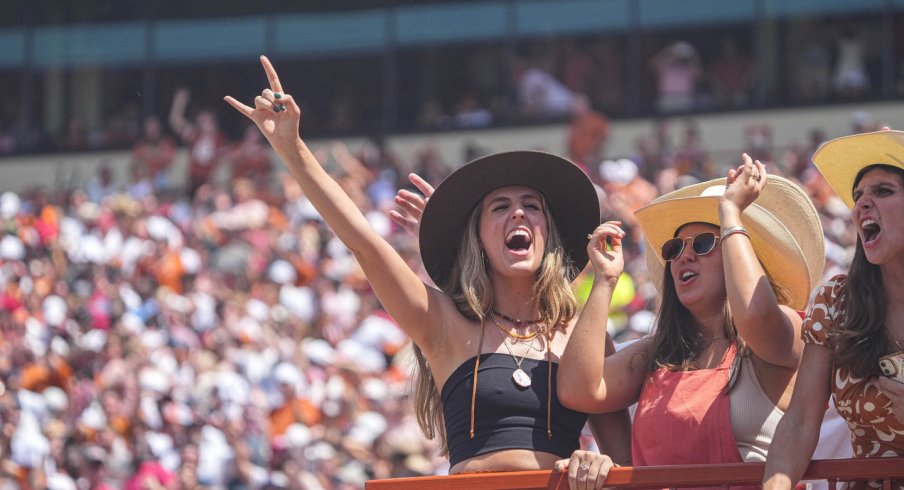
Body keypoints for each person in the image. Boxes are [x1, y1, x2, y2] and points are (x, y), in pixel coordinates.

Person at [224, 56, 630, 475]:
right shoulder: (443, 321)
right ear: (478, 238)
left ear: (551, 234)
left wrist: (595, 465)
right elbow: (363, 243)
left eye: (532, 206)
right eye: (501, 207)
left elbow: (628, 467)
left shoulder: (586, 337)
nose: (519, 215)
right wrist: (292, 147)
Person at [556, 155, 825, 488]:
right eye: (673, 248)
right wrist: (605, 280)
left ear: (739, 251)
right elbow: (579, 391)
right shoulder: (658, 352)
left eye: (704, 243)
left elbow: (753, 313)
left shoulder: (783, 329)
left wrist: (729, 213)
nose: (684, 255)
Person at [763, 130, 904, 490]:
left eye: (883, 191)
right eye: (858, 196)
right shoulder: (836, 301)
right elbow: (800, 422)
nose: (861, 205)